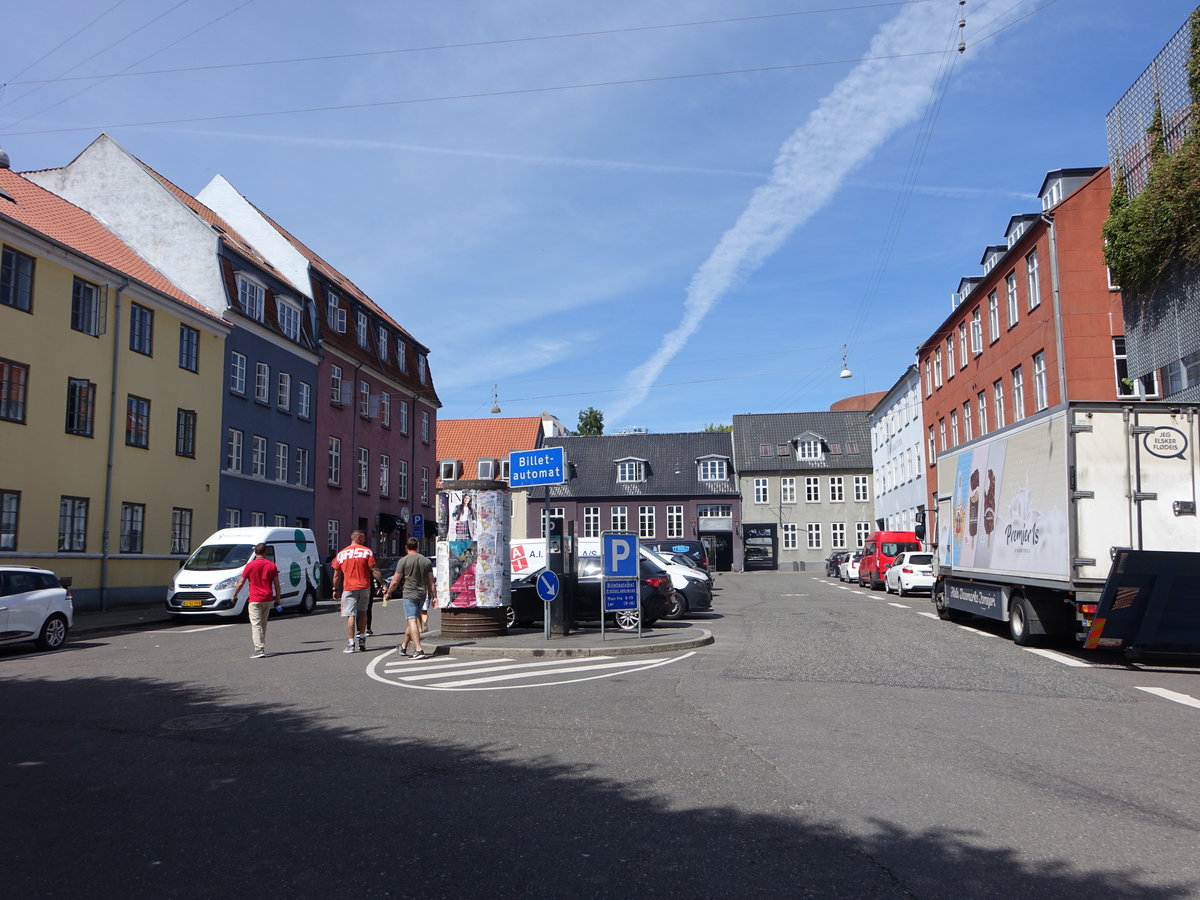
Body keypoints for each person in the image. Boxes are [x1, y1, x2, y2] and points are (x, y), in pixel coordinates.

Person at [383, 537, 436, 659]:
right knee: (411, 621)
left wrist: (388, 593)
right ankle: (403, 646)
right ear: (417, 547)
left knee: (412, 620)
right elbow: (431, 581)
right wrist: (434, 596)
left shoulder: (403, 561)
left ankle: (418, 649)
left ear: (406, 547)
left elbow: (395, 580)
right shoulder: (426, 561)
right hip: (422, 594)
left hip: (409, 594)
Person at [331, 530, 382, 654]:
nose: (364, 540)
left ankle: (350, 643)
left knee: (351, 615)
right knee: (363, 612)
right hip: (364, 587)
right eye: (363, 538)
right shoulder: (367, 552)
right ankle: (362, 638)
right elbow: (374, 570)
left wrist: (335, 589)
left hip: (349, 588)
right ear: (358, 538)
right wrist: (383, 583)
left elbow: (336, 574)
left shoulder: (342, 553)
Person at [231, 543, 281, 659]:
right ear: (266, 552)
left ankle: (259, 650)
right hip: (267, 598)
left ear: (255, 552)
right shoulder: (271, 565)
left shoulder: (250, 566)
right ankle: (261, 646)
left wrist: (235, 594)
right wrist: (278, 598)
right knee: (263, 624)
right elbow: (277, 584)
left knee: (256, 624)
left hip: (255, 598)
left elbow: (241, 582)